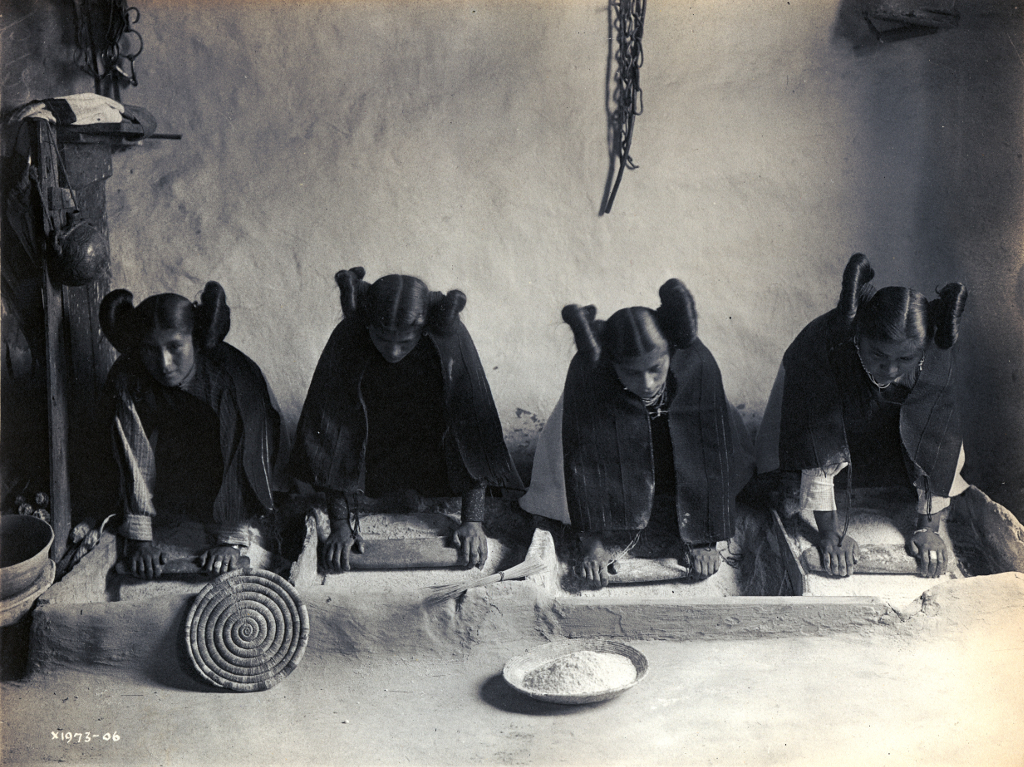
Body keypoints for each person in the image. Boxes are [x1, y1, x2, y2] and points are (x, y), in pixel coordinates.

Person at [520, 279, 755, 588]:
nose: (647, 383)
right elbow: (584, 460)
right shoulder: (591, 375)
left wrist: (705, 540)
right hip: (614, 454)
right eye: (631, 372)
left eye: (656, 368)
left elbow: (708, 450)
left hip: (672, 454)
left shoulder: (697, 363)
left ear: (671, 352)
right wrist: (593, 546)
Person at [287, 268, 523, 572]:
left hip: (433, 454)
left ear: (423, 329)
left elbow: (472, 431)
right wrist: (341, 524)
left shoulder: (449, 337)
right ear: (369, 326)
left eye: (405, 341)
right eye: (382, 339)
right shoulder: (350, 336)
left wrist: (473, 521)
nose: (394, 351)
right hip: (371, 453)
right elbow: (332, 432)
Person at [754, 253, 968, 578]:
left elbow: (939, 443)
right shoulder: (824, 348)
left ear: (923, 350)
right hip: (816, 415)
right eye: (878, 354)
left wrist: (928, 527)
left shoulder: (936, 357)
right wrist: (829, 532)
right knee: (783, 484)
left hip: (878, 420)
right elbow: (817, 443)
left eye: (905, 359)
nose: (891, 369)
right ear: (859, 338)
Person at [100, 282, 281, 579]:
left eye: (175, 347)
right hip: (173, 486)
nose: (164, 363)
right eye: (150, 349)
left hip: (230, 480)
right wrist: (141, 540)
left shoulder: (233, 380)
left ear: (195, 340)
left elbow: (243, 453)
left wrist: (229, 542)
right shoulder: (128, 377)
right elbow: (134, 453)